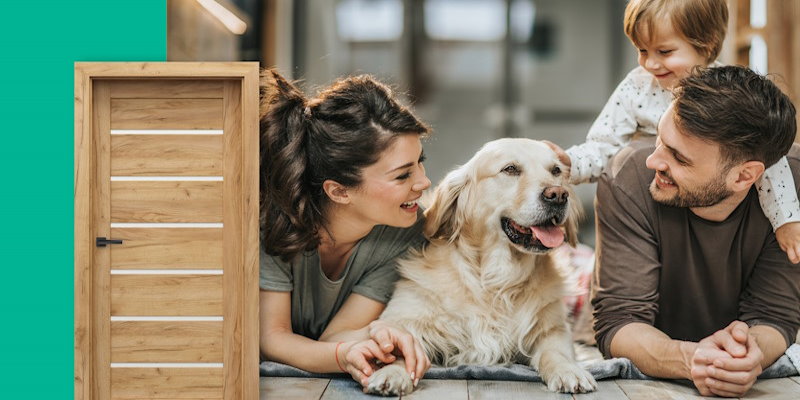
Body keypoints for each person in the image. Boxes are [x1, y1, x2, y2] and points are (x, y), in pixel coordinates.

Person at [592, 65, 800, 398]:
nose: (654, 162)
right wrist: (692, 360)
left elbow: (775, 315)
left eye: (678, 157)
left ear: (745, 177)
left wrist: (750, 355)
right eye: (660, 140)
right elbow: (618, 321)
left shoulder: (794, 198)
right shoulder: (627, 178)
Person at [564, 0, 800, 263]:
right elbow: (603, 144)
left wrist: (787, 220)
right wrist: (569, 164)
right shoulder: (637, 87)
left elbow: (768, 162)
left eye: (664, 52)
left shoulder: (728, 96)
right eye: (642, 50)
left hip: (713, 214)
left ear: (707, 44)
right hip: (655, 211)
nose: (650, 64)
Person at [258, 69, 432, 388]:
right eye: (402, 175)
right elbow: (271, 338)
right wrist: (344, 355)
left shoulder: (405, 231)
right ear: (339, 191)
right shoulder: (274, 222)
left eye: (421, 161)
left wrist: (375, 335)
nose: (424, 182)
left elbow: (336, 335)